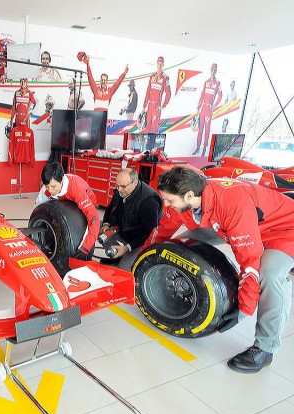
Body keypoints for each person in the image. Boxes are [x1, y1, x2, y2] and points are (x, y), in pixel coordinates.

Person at [143, 166, 294, 373]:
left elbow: (250, 262)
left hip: (283, 231)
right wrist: (144, 259)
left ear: (189, 195)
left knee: (270, 274)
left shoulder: (232, 203)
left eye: (170, 200)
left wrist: (243, 310)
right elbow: (163, 230)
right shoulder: (185, 198)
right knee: (183, 242)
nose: (166, 204)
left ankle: (265, 348)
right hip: (234, 224)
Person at [34, 162, 99, 260]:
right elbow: (36, 210)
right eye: (47, 186)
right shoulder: (45, 190)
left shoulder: (76, 189)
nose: (50, 191)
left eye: (54, 186)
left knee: (85, 249)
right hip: (65, 202)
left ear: (61, 181)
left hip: (85, 203)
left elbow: (94, 218)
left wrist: (86, 247)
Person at [100, 169, 162, 270]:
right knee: (98, 228)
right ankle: (116, 255)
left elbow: (150, 233)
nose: (119, 189)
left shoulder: (148, 203)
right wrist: (106, 225)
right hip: (124, 229)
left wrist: (127, 247)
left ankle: (125, 256)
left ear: (135, 182)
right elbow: (109, 208)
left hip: (139, 239)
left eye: (123, 186)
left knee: (125, 268)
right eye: (117, 185)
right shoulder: (121, 190)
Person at [193, 63, 222, 156]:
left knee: (207, 130)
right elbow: (202, 95)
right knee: (200, 129)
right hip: (203, 109)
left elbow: (220, 95)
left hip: (209, 110)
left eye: (215, 70)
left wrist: (215, 105)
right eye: (212, 70)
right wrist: (198, 108)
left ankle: (204, 148)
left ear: (216, 71)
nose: (213, 71)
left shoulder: (217, 83)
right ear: (210, 70)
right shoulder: (206, 82)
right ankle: (197, 147)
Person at [142, 56, 171, 134]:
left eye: (161, 64)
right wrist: (144, 106)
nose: (159, 66)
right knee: (147, 128)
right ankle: (146, 145)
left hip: (156, 107)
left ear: (163, 65)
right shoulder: (152, 76)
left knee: (155, 129)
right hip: (149, 106)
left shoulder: (165, 78)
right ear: (156, 64)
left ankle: (154, 145)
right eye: (158, 64)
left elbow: (168, 93)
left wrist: (163, 105)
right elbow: (148, 92)